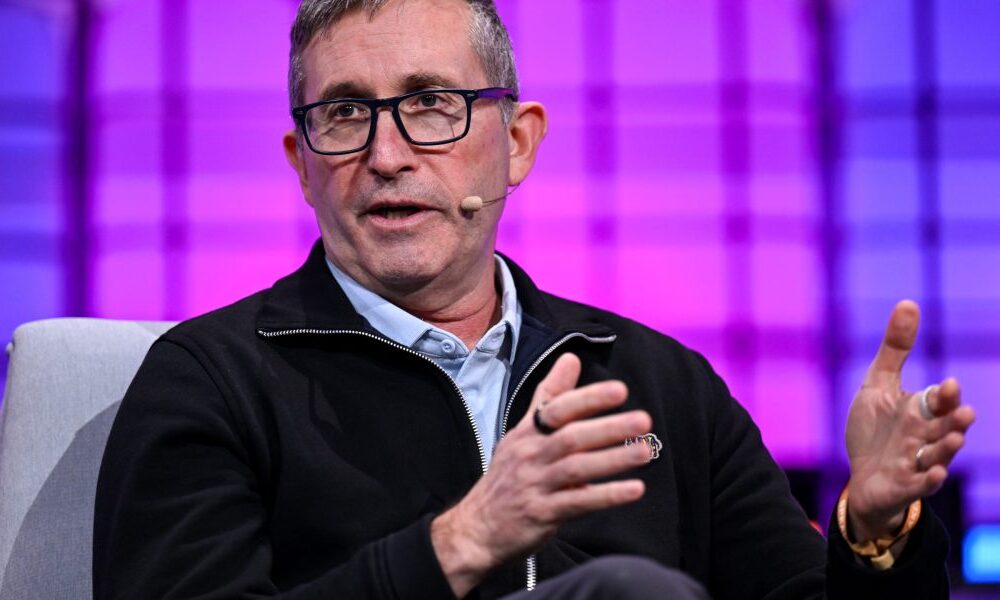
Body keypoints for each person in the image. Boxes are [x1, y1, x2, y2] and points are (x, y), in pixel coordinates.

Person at [92, 0, 977, 598]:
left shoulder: (657, 381)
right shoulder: (210, 378)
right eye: (346, 114)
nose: (387, 155)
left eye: (431, 104)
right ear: (302, 165)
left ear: (518, 143)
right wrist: (462, 543)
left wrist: (875, 532)